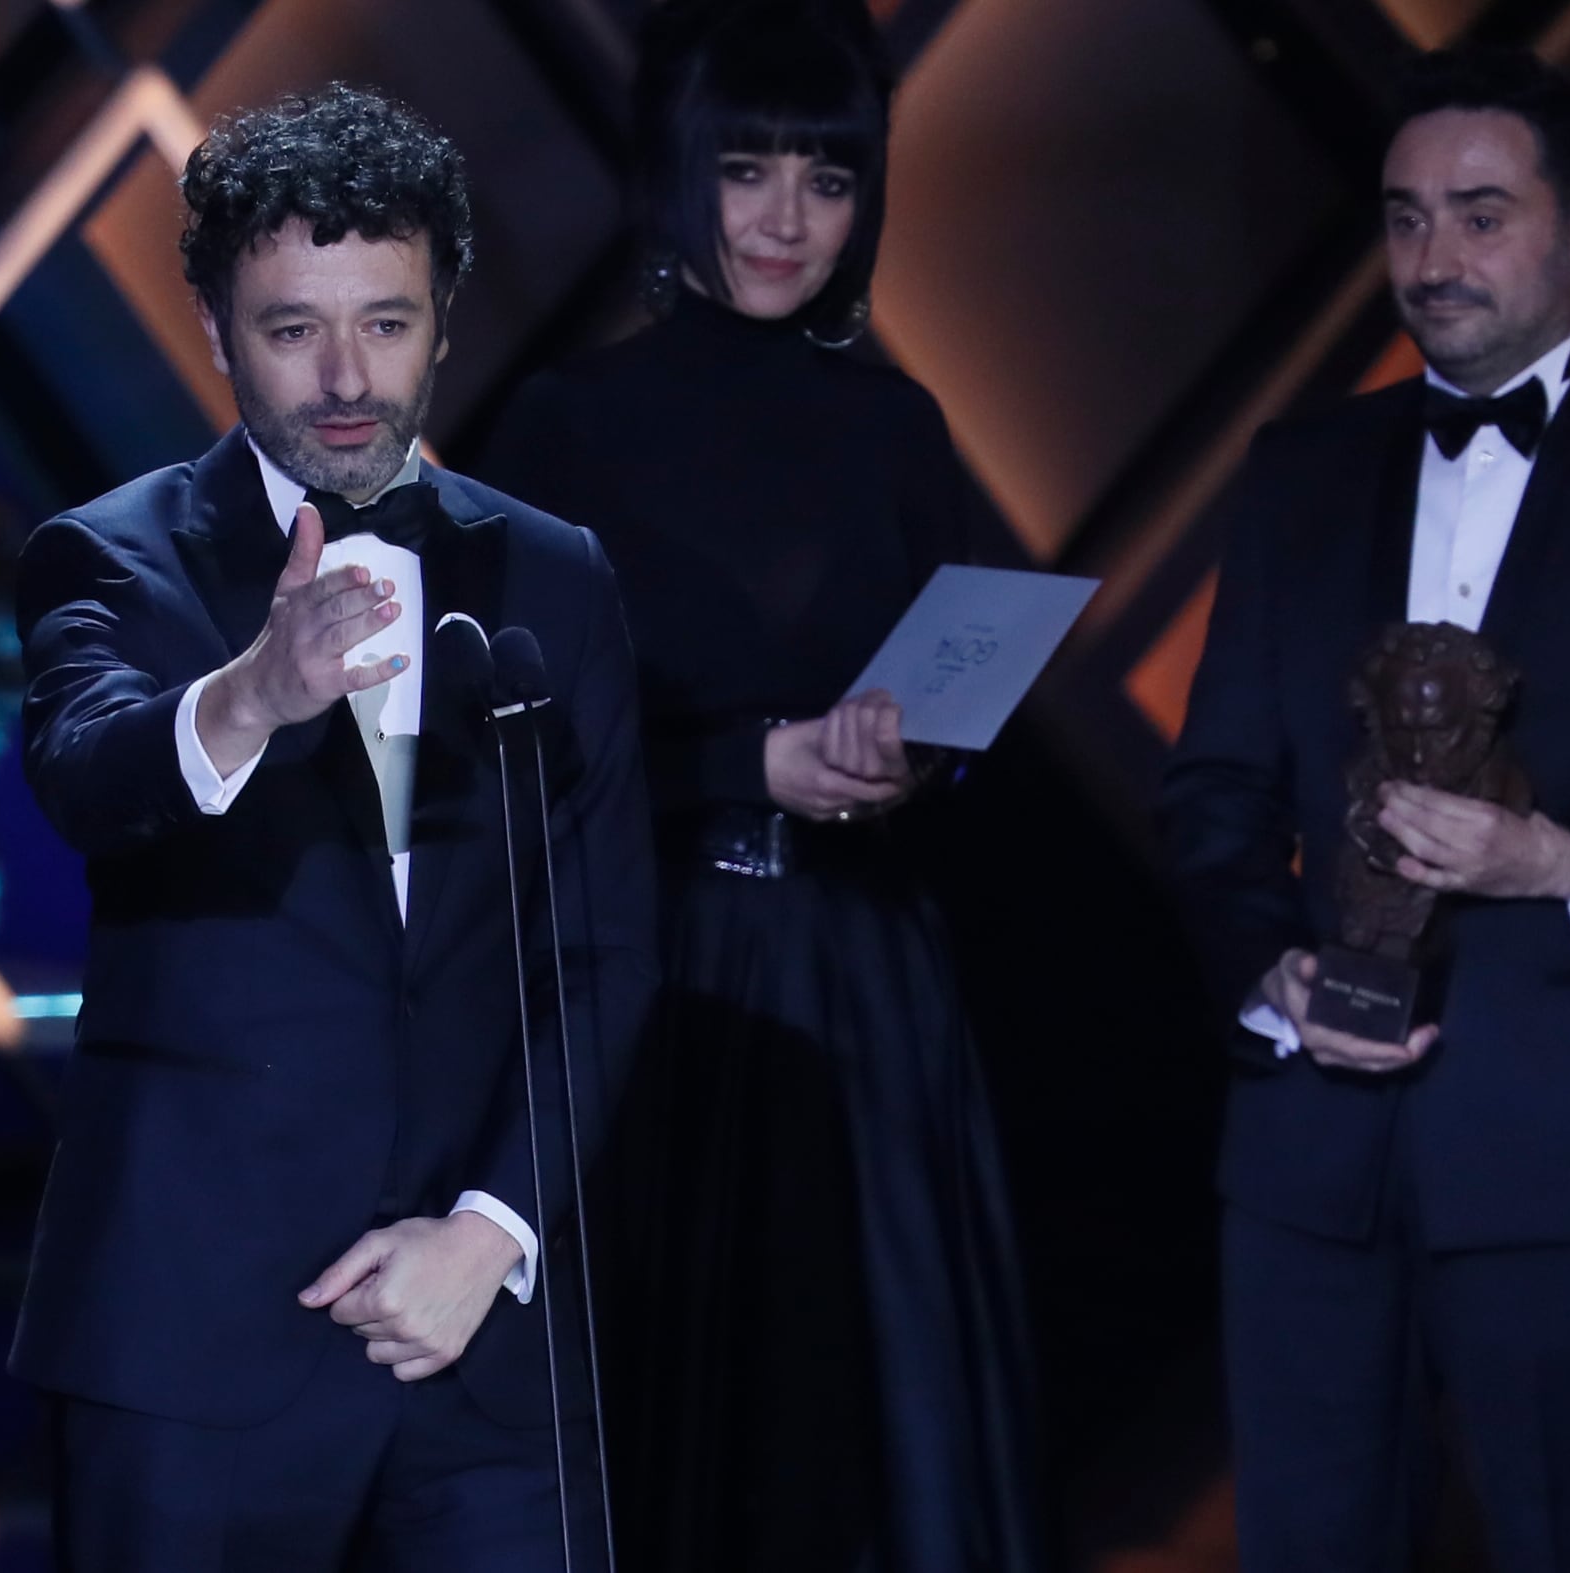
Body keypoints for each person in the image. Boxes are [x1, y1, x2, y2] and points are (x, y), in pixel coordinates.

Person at [9, 84, 655, 1571]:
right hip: (192, 1348)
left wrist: (493, 1227)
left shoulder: (555, 578)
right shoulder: (113, 557)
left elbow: (607, 944)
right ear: (213, 322)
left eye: (389, 321)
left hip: (483, 1338)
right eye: (295, 328)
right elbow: (88, 773)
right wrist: (252, 694)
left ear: (447, 317)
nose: (348, 378)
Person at [480, 4, 1043, 1568]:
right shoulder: (567, 428)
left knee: (878, 1435)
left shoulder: (900, 425)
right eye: (748, 170)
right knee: (676, 1428)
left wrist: (910, 760)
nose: (788, 218)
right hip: (662, 981)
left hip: (873, 983)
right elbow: (512, 756)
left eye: (828, 177)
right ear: (678, 176)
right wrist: (750, 764)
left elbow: (965, 729)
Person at [1160, 44, 1570, 1573]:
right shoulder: (1297, 467)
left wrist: (1566, 860)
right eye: (1404, 220)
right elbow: (1214, 793)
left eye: (1478, 215)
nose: (1432, 260)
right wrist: (1272, 968)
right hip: (1307, 1164)